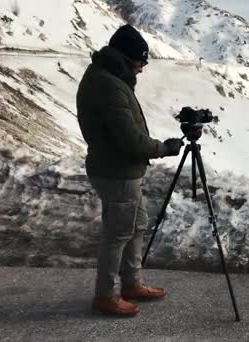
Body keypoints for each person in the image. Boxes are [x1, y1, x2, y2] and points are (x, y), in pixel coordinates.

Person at [76, 24, 184, 317]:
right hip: (116, 172)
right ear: (125, 58)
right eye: (140, 61)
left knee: (135, 226)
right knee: (117, 234)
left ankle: (131, 283)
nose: (142, 68)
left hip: (121, 170)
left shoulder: (108, 77)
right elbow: (131, 140)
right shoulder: (108, 85)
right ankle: (106, 296)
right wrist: (164, 148)